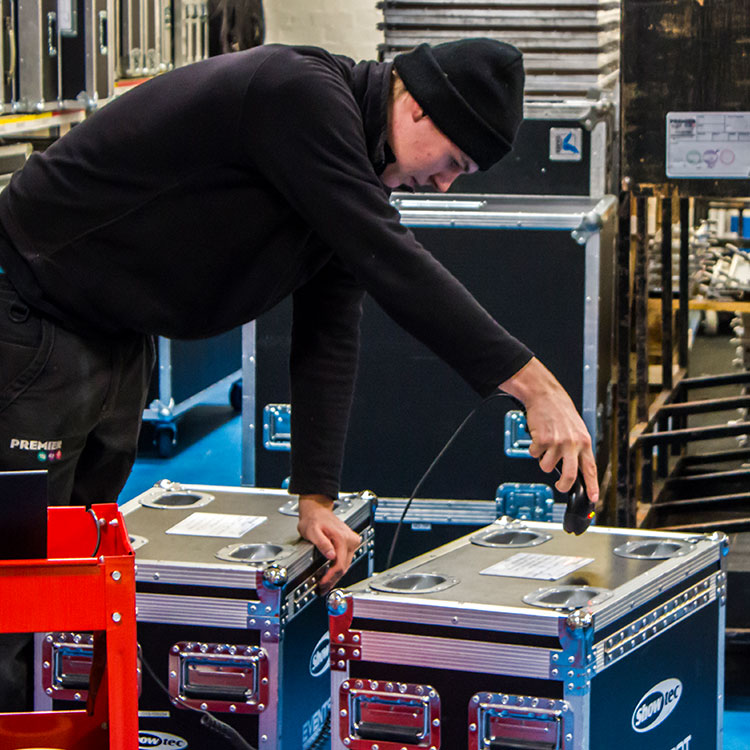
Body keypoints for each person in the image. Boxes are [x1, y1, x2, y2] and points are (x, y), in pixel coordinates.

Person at [0, 39, 598, 603]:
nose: (443, 181)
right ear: (417, 107)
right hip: (32, 305)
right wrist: (532, 384)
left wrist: (315, 495)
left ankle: (46, 712)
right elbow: (390, 262)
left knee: (70, 569)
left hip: (113, 331)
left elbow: (328, 331)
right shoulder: (299, 95)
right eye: (453, 161)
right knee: (17, 576)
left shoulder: (353, 170)